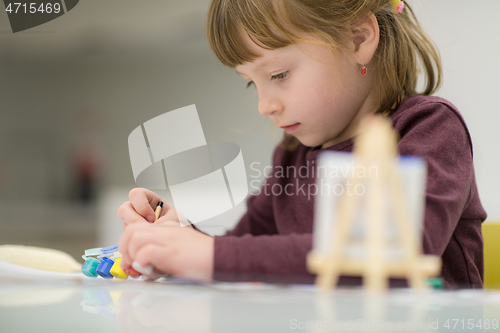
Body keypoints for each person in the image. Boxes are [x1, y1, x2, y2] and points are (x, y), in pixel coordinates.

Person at [117, 0, 487, 288]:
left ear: (358, 39)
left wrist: (208, 255)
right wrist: (178, 238)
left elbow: (393, 256)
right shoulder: (293, 154)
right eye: (251, 82)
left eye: (279, 74)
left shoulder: (429, 129)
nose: (265, 105)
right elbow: (245, 249)